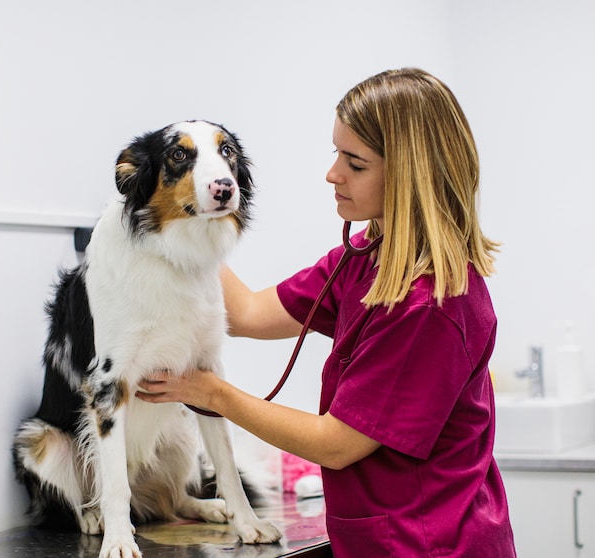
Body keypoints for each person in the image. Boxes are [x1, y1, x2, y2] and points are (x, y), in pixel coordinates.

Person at [136, 67, 517, 557]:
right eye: (336, 153)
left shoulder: (431, 304)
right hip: (378, 538)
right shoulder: (364, 260)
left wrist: (212, 393)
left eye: (354, 163)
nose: (333, 173)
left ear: (409, 176)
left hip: (432, 543)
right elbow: (250, 312)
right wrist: (176, 216)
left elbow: (337, 443)